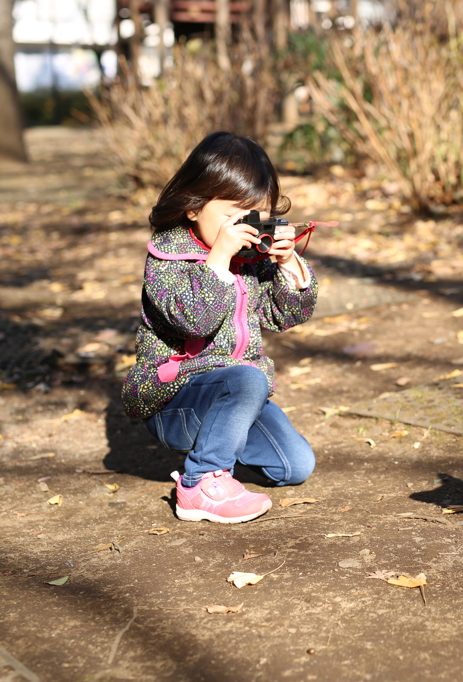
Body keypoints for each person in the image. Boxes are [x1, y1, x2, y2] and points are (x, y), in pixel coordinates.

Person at [122, 131, 318, 524]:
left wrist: (288, 263)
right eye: (232, 216)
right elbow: (193, 320)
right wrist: (219, 259)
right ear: (193, 207)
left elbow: (283, 316)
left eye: (255, 215)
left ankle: (222, 447)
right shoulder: (168, 257)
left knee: (295, 465)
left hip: (237, 394)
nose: (242, 228)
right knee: (247, 379)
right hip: (175, 401)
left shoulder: (251, 259)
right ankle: (200, 483)